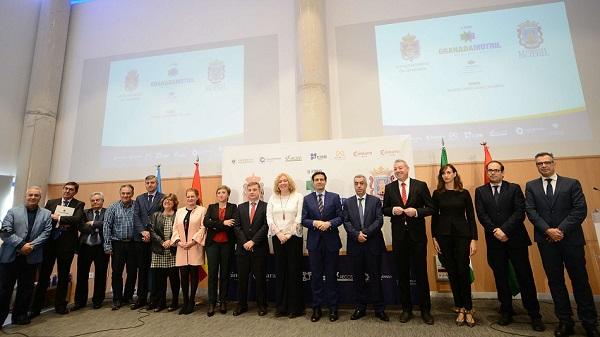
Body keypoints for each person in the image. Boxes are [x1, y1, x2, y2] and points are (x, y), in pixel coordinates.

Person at [525, 152, 599, 337]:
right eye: (539, 164)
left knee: (580, 281)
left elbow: (580, 209)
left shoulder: (571, 183)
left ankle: (589, 322)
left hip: (571, 240)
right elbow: (531, 212)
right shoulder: (531, 186)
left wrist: (561, 230)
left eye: (547, 162)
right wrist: (548, 230)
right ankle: (565, 321)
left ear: (554, 163)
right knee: (556, 282)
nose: (543, 166)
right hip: (546, 241)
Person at [475, 160, 545, 331]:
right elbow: (482, 214)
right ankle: (506, 310)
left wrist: (504, 230)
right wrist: (495, 231)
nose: (493, 173)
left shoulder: (513, 188)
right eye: (490, 170)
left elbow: (520, 212)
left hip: (516, 240)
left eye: (496, 170)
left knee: (525, 277)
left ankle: (534, 314)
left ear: (502, 172)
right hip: (494, 241)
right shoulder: (480, 191)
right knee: (501, 277)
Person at [382, 159, 435, 324]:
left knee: (421, 274)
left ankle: (425, 310)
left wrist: (417, 212)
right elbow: (384, 209)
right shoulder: (390, 188)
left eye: (400, 168)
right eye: (395, 168)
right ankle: (407, 310)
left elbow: (431, 208)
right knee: (402, 274)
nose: (398, 170)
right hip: (399, 238)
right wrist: (392, 210)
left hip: (417, 238)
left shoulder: (420, 185)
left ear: (407, 169)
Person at [431, 164, 477, 327]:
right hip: (443, 237)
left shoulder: (464, 193)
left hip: (462, 236)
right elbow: (434, 218)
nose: (446, 175)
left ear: (455, 174)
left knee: (463, 272)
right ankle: (460, 308)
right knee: (452, 272)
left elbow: (471, 217)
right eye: (443, 173)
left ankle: (469, 308)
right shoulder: (437, 194)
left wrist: (474, 239)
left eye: (449, 172)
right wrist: (434, 237)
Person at [31, 182, 85, 316]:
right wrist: (62, 219)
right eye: (66, 188)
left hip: (66, 246)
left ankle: (60, 306)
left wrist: (58, 217)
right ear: (63, 189)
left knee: (63, 276)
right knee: (43, 276)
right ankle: (35, 308)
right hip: (49, 244)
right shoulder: (51, 202)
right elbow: (43, 218)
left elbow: (76, 219)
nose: (67, 191)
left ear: (75, 192)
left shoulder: (78, 204)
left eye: (71, 190)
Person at [0, 186, 52, 327]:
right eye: (30, 195)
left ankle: (20, 316)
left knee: (26, 288)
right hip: (10, 257)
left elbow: (46, 233)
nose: (33, 197)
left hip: (31, 257)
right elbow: (5, 232)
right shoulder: (13, 211)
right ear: (26, 196)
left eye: (36, 195)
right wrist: (21, 245)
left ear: (40, 198)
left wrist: (31, 246)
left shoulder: (46, 214)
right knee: (4, 289)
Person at [342, 175, 388, 322]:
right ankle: (360, 308)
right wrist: (357, 235)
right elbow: (346, 221)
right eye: (356, 183)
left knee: (375, 278)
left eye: (362, 183)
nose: (359, 186)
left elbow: (379, 220)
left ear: (366, 185)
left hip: (373, 245)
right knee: (358, 279)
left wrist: (365, 233)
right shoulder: (348, 202)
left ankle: (379, 309)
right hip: (356, 246)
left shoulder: (375, 201)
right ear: (354, 185)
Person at [301, 171, 343, 322]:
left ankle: (333, 308)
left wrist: (329, 223)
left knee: (331, 276)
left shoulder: (335, 197)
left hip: (331, 242)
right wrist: (314, 223)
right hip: (314, 243)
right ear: (313, 183)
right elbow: (303, 219)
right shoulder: (306, 199)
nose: (319, 182)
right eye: (316, 180)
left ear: (325, 181)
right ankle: (317, 308)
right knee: (316, 277)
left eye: (321, 179)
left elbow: (341, 217)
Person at [267, 173, 305, 318]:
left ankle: (295, 308)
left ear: (289, 183)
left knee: (294, 272)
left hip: (294, 238)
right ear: (277, 184)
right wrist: (279, 234)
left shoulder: (298, 196)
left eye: (285, 181)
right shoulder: (272, 198)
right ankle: (281, 307)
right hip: (278, 238)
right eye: (280, 181)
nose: (283, 183)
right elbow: (269, 218)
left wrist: (288, 235)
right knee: (281, 271)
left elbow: (299, 217)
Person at [233, 181, 268, 317]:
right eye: (250, 190)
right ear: (246, 192)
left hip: (259, 248)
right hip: (243, 249)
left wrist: (253, 241)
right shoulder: (240, 207)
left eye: (255, 189)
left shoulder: (266, 206)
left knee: (260, 279)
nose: (252, 192)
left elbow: (266, 226)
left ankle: (262, 305)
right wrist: (245, 242)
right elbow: (237, 227)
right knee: (242, 279)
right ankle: (241, 305)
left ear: (260, 191)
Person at [203, 185, 237, 316]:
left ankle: (223, 301)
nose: (221, 195)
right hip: (212, 245)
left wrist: (215, 224)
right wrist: (223, 223)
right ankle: (212, 302)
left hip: (227, 245)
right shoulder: (211, 207)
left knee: (225, 274)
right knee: (212, 274)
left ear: (228, 195)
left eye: (224, 192)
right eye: (219, 193)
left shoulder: (233, 207)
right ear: (216, 195)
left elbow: (232, 224)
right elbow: (206, 222)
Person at [131, 175, 164, 309]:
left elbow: (162, 217)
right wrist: (142, 232)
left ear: (157, 184)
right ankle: (141, 298)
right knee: (142, 269)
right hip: (140, 239)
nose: (150, 185)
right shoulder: (140, 198)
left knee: (154, 270)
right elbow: (136, 216)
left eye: (152, 183)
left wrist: (150, 233)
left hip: (155, 239)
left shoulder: (163, 197)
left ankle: (153, 298)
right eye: (147, 183)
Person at [172, 188, 206, 315]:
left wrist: (192, 241)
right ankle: (185, 302)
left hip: (194, 246)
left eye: (193, 196)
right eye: (188, 196)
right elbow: (175, 228)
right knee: (184, 275)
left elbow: (203, 228)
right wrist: (178, 242)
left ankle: (191, 301)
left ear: (197, 197)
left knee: (193, 275)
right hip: (181, 248)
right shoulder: (179, 211)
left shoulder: (202, 210)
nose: (190, 199)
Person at [73, 192, 109, 310]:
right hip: (85, 247)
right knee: (82, 274)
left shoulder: (108, 212)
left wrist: (93, 223)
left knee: (101, 274)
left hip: (101, 247)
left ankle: (98, 300)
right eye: (93, 200)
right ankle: (80, 301)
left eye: (98, 200)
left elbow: (108, 225)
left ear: (102, 201)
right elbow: (80, 226)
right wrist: (96, 228)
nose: (95, 202)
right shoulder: (84, 212)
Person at [103, 184, 137, 310]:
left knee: (132, 272)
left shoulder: (136, 206)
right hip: (117, 244)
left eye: (128, 193)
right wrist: (107, 245)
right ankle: (117, 298)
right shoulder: (113, 207)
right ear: (120, 193)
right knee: (117, 272)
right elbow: (106, 226)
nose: (125, 195)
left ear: (132, 194)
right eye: (123, 193)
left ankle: (128, 297)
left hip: (133, 244)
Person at [148, 194, 180, 312]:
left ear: (174, 203)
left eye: (170, 200)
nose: (167, 202)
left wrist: (171, 241)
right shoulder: (155, 215)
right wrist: (162, 242)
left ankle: (175, 302)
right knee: (160, 280)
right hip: (159, 251)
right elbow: (151, 231)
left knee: (174, 279)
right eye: (165, 200)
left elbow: (180, 231)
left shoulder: (178, 215)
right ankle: (161, 303)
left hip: (173, 251)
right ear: (162, 202)